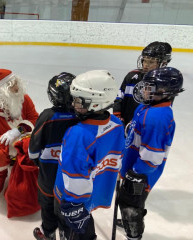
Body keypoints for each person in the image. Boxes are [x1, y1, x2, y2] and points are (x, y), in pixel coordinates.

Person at [53, 70, 125, 239]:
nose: (73, 104)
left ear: (96, 103)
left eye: (79, 101)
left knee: (70, 231)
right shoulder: (116, 124)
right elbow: (119, 156)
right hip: (93, 192)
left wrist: (72, 206)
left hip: (71, 199)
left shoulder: (78, 135)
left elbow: (75, 176)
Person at [118, 67, 184, 240]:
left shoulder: (157, 117)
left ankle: (134, 233)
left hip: (141, 173)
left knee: (131, 205)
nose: (144, 90)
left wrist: (136, 174)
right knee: (127, 201)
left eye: (150, 87)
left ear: (165, 92)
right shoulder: (146, 107)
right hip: (133, 165)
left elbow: (153, 156)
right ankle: (128, 221)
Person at [28, 72, 79, 240]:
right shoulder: (81, 118)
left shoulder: (47, 117)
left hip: (48, 178)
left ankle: (49, 234)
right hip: (73, 178)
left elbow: (33, 152)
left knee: (48, 207)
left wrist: (40, 162)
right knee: (68, 209)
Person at [0, 68, 38, 195]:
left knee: (38, 143)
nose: (17, 88)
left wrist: (19, 130)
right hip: (4, 147)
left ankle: (26, 172)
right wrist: (5, 140)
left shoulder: (23, 99)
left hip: (24, 138)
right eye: (11, 85)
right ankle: (0, 175)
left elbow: (35, 118)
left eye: (16, 82)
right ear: (1, 91)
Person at [113, 41, 172, 128]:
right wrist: (117, 116)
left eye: (151, 62)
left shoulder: (165, 84)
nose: (146, 65)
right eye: (145, 60)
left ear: (163, 63)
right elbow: (119, 97)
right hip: (124, 124)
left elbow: (161, 111)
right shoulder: (132, 76)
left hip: (145, 127)